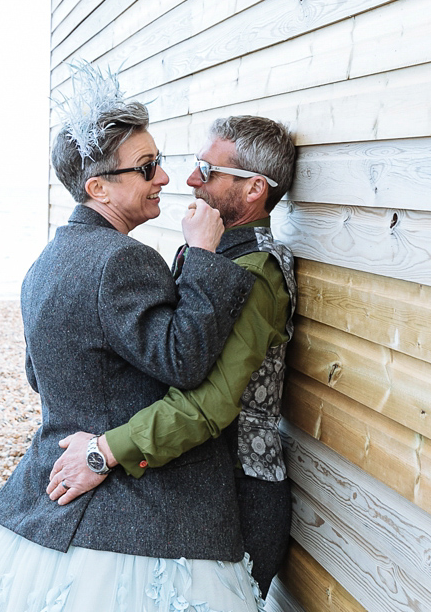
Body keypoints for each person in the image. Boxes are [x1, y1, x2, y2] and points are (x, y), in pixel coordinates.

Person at [0, 69, 264, 612]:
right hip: (142, 514)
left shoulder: (47, 261)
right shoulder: (123, 259)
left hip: (46, 500)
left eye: (159, 161)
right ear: (97, 187)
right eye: (148, 167)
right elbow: (184, 359)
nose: (166, 178)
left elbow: (41, 373)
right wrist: (201, 257)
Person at [46, 116, 298, 596]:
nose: (188, 179)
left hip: (242, 485)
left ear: (253, 191)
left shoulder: (256, 270)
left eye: (209, 169)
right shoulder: (218, 252)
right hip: (194, 481)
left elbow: (208, 404)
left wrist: (103, 452)